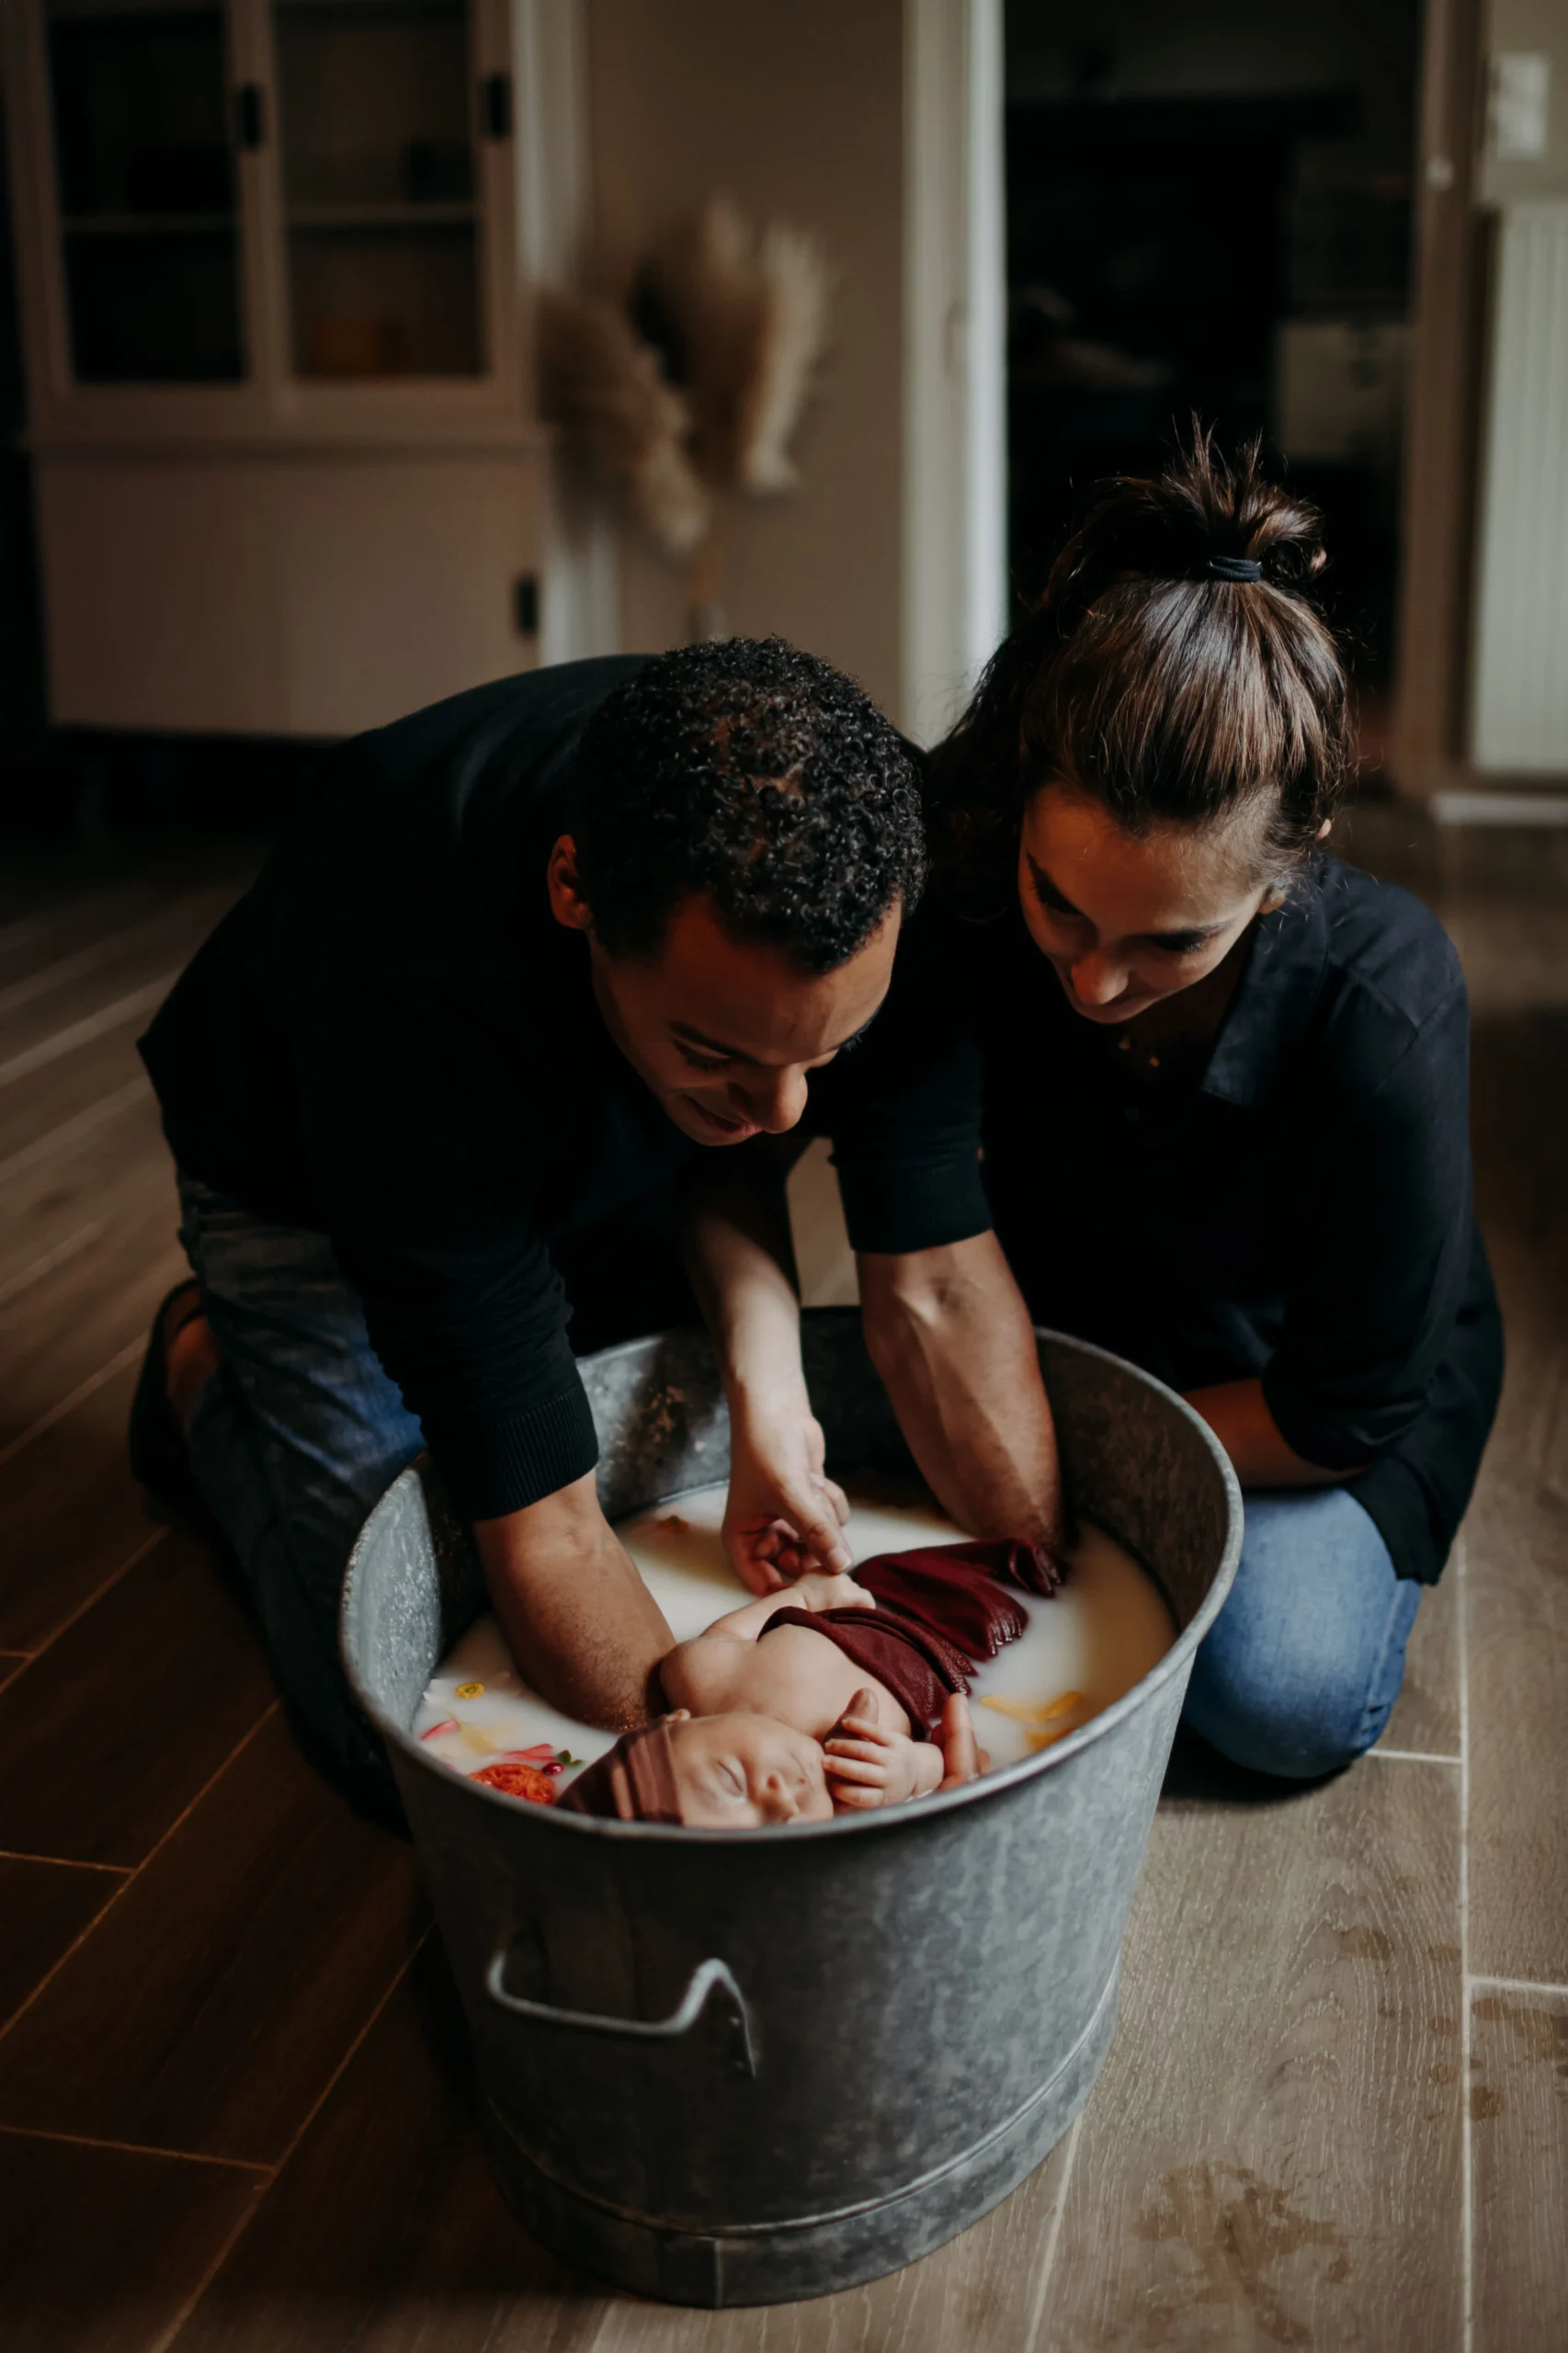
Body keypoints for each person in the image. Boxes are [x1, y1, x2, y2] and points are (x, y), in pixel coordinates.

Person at [132, 640, 1063, 1817]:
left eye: (824, 1057)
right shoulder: (406, 980)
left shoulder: (883, 857)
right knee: (390, 1743)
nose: (787, 1113)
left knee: (682, 1419)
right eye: (720, 1049)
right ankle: (210, 1372)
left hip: (615, 1126)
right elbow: (551, 1524)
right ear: (574, 891)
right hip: (307, 1182)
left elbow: (928, 1280)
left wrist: (1036, 1597)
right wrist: (737, 1778)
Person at [925, 436, 1504, 1781]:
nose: (1091, 978)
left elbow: (1340, 1408)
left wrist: (1055, 1456)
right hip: (1083, 1313)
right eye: (1057, 905)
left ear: (1279, 881)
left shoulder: (1387, 1002)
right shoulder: (965, 885)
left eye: (1169, 944)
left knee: (1279, 1690)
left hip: (1304, 1387)